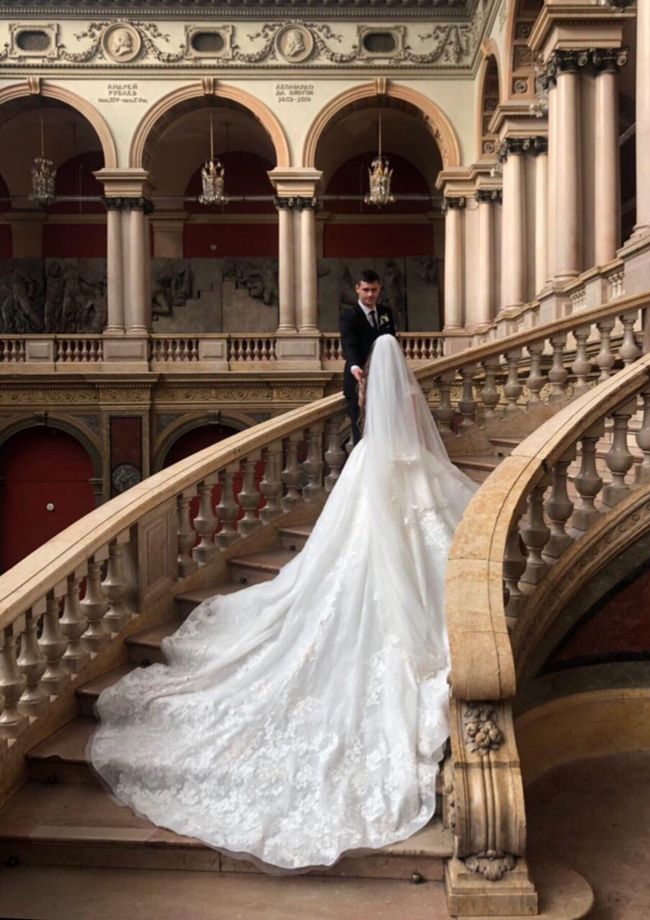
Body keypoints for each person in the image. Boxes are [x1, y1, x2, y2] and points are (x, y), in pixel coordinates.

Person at [90, 335, 477, 871]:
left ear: (372, 369)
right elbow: (416, 442)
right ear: (403, 367)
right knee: (418, 543)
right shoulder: (411, 399)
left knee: (342, 560)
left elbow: (371, 432)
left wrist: (363, 394)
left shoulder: (368, 399)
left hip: (373, 474)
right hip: (405, 476)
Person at [339, 268, 396, 445]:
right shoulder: (349, 316)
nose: (370, 294)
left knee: (385, 433)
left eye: (374, 290)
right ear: (357, 288)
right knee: (362, 434)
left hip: (384, 382)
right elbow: (349, 343)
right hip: (359, 383)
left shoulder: (386, 313)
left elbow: (391, 342)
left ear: (379, 289)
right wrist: (355, 367)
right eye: (366, 290)